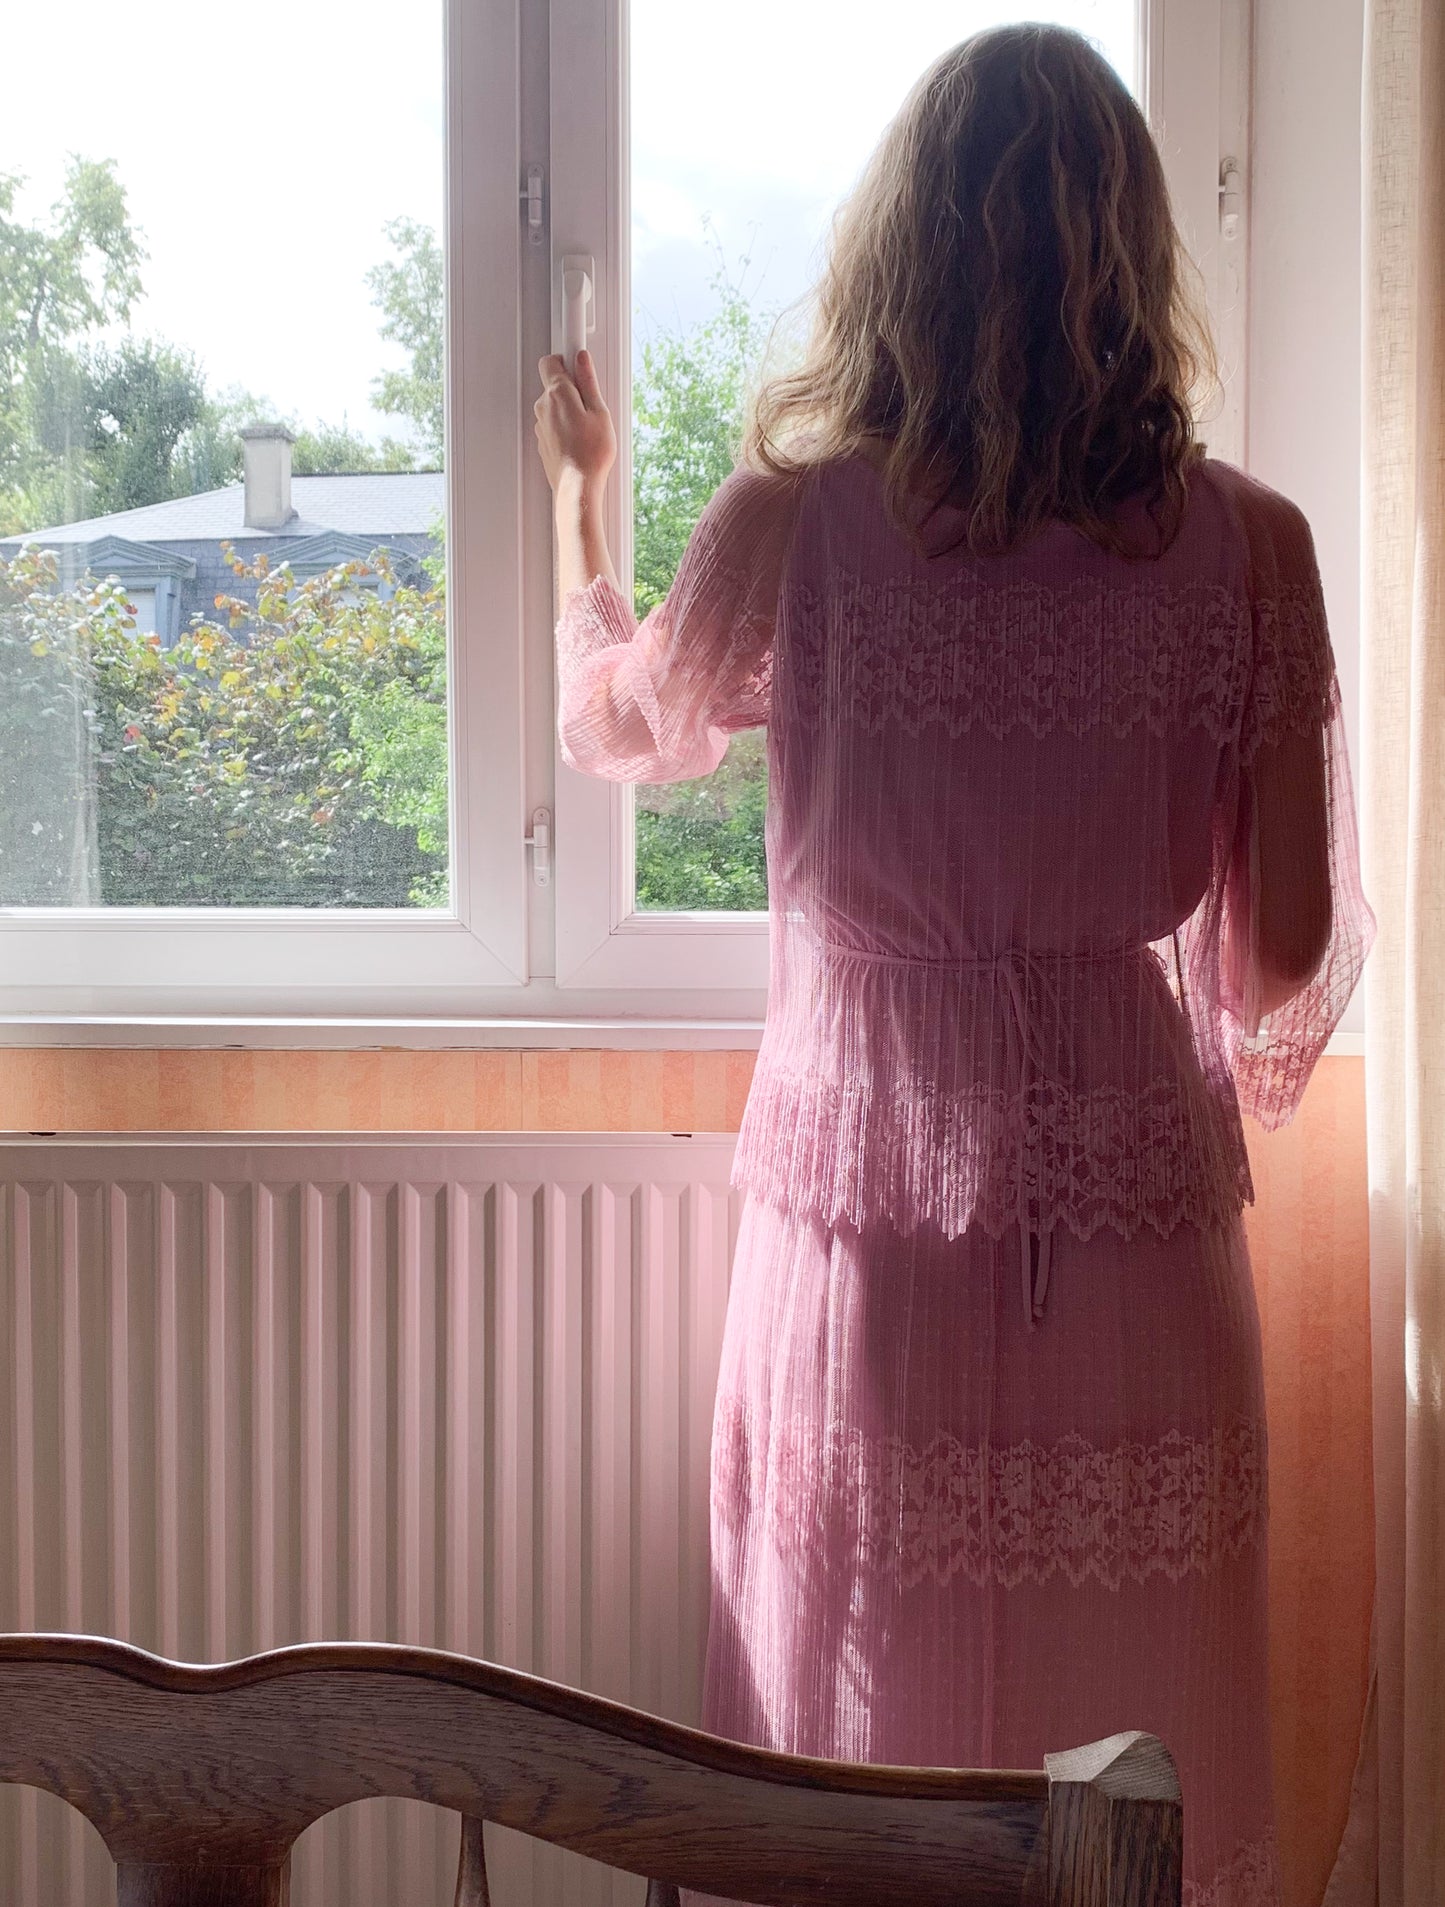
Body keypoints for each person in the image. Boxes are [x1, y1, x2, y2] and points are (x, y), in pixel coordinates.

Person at [533, 24, 1374, 1906]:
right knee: (1120, 1752)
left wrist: (576, 498)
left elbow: (628, 728)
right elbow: (1280, 963)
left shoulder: (793, 526)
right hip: (1135, 1223)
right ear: (1131, 252)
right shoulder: (1253, 550)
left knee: (857, 1718)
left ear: (898, 247)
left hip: (867, 1211)